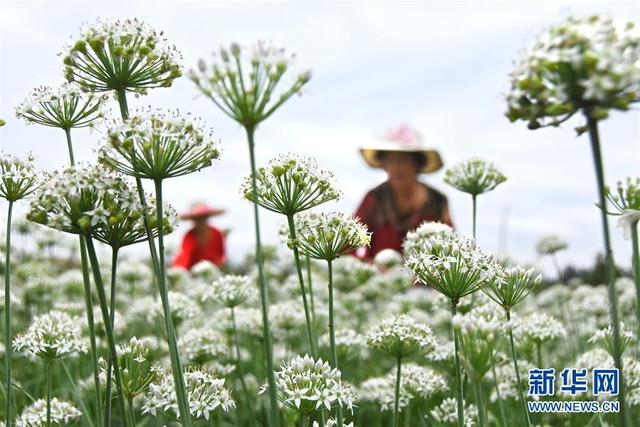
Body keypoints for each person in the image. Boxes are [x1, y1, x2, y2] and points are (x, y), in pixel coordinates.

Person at [354, 124, 453, 259]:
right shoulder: (374, 197)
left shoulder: (437, 200)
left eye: (403, 160)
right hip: (379, 277)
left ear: (417, 164)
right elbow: (349, 241)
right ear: (384, 165)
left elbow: (450, 244)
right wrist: (365, 266)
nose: (396, 167)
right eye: (391, 160)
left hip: (424, 277)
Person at [172, 202, 227, 270]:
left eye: (203, 217)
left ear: (207, 217)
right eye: (197, 218)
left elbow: (220, 257)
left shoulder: (217, 233)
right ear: (193, 220)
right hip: (190, 273)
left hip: (211, 272)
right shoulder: (188, 236)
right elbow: (185, 257)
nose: (200, 221)